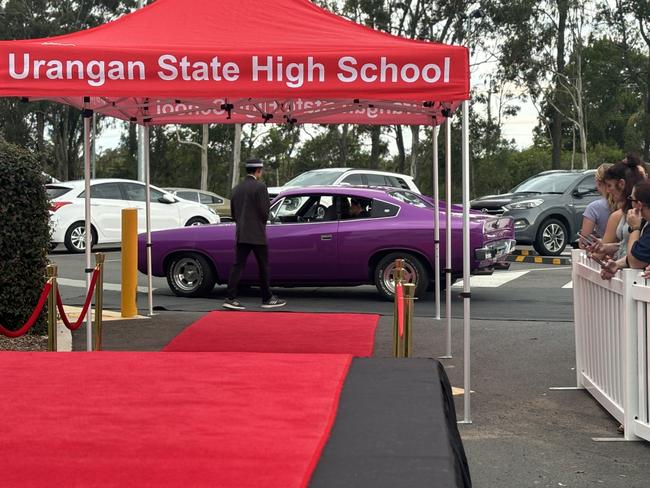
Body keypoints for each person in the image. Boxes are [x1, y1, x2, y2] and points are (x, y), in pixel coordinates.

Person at [223, 158, 286, 310]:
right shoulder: (260, 187)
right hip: (257, 234)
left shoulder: (237, 189)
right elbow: (265, 213)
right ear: (258, 170)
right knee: (263, 266)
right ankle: (267, 298)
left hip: (241, 233)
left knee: (238, 265)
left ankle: (230, 297)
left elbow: (234, 214)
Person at [600, 180, 650, 280]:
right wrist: (617, 264)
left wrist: (635, 228)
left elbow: (635, 261)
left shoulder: (641, 223)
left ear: (639, 205)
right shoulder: (646, 223)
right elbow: (641, 255)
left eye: (631, 198)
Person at [579, 163, 612, 247]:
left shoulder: (594, 208)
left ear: (598, 182)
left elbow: (584, 242)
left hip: (604, 255)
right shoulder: (626, 205)